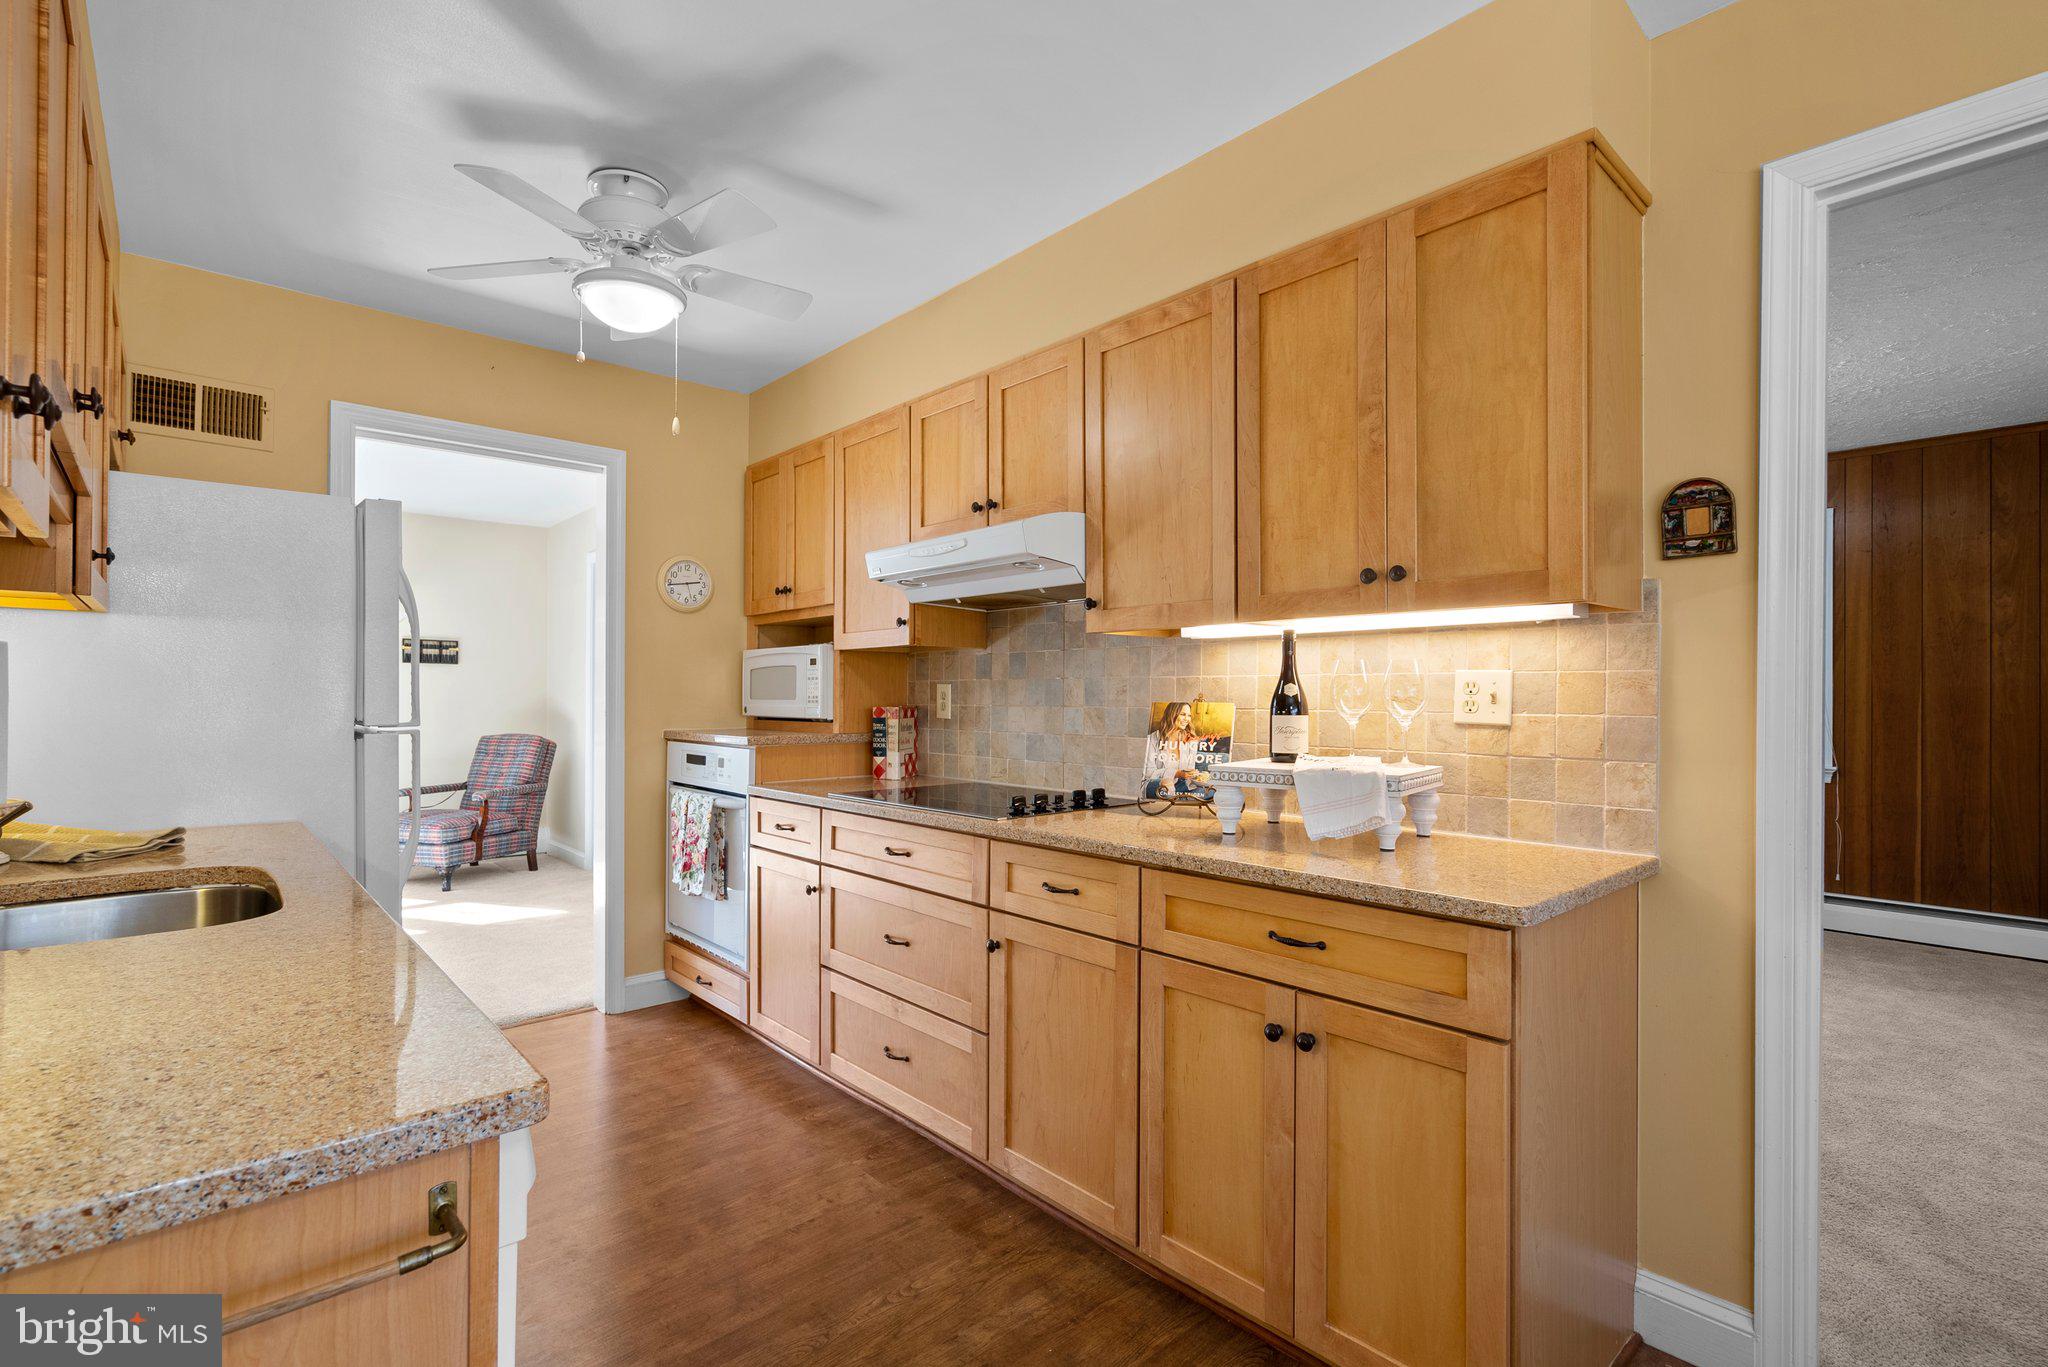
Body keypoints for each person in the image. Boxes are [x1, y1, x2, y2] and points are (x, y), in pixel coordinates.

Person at [1143, 701, 1207, 799]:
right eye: (1183, 714)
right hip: (1157, 784)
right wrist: (1176, 773)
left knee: (1210, 791)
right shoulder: (1153, 739)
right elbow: (1148, 773)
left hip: (1181, 785)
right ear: (1172, 714)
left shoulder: (1191, 740)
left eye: (1189, 715)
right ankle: (1182, 798)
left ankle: (1178, 798)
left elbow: (1189, 770)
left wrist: (1193, 774)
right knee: (1166, 786)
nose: (1187, 719)